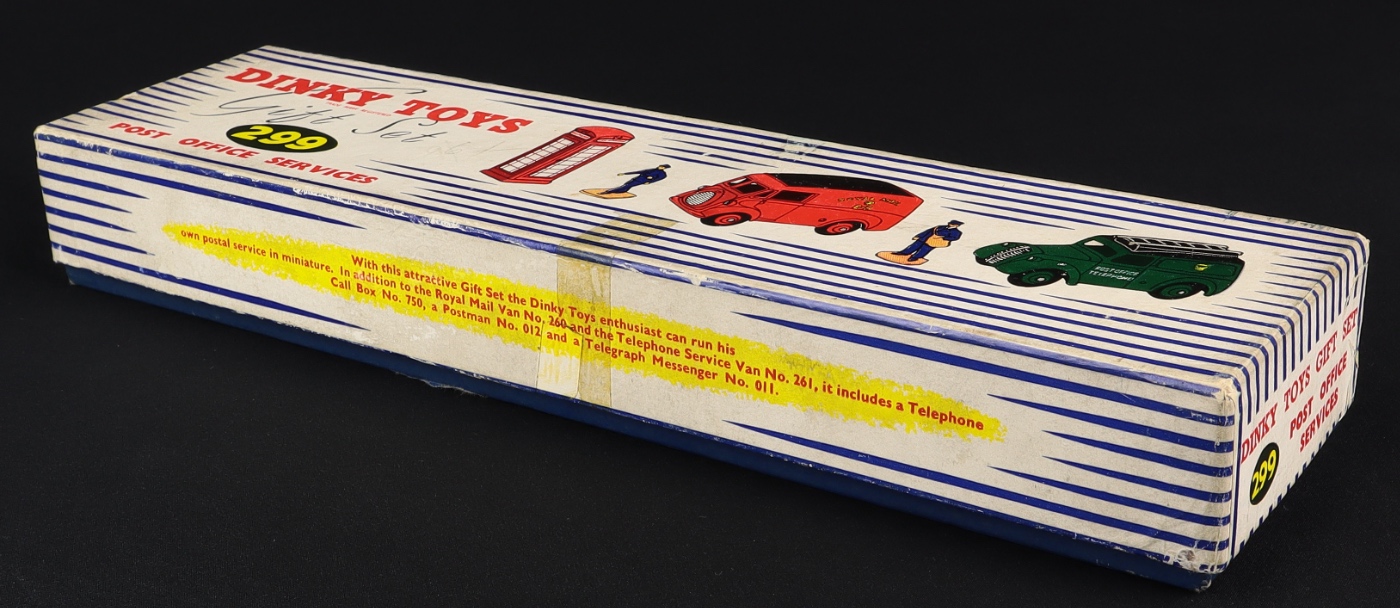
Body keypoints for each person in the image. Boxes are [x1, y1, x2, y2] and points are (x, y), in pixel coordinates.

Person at [878, 220, 964, 266]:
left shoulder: (956, 232)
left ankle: (915, 257)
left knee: (924, 249)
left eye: (953, 224)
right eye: (950, 223)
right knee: (914, 246)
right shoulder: (940, 227)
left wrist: (943, 238)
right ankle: (903, 253)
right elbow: (928, 231)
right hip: (925, 238)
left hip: (935, 241)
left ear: (956, 226)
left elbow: (955, 238)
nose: (950, 224)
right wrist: (919, 236)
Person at [603, 164, 670, 195]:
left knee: (627, 185)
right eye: (660, 166)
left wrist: (650, 181)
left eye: (661, 167)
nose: (659, 166)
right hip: (637, 178)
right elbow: (639, 172)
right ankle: (621, 191)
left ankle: (610, 191)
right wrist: (625, 174)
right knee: (627, 185)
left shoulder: (662, 174)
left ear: (664, 168)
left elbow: (658, 179)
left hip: (642, 180)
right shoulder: (652, 169)